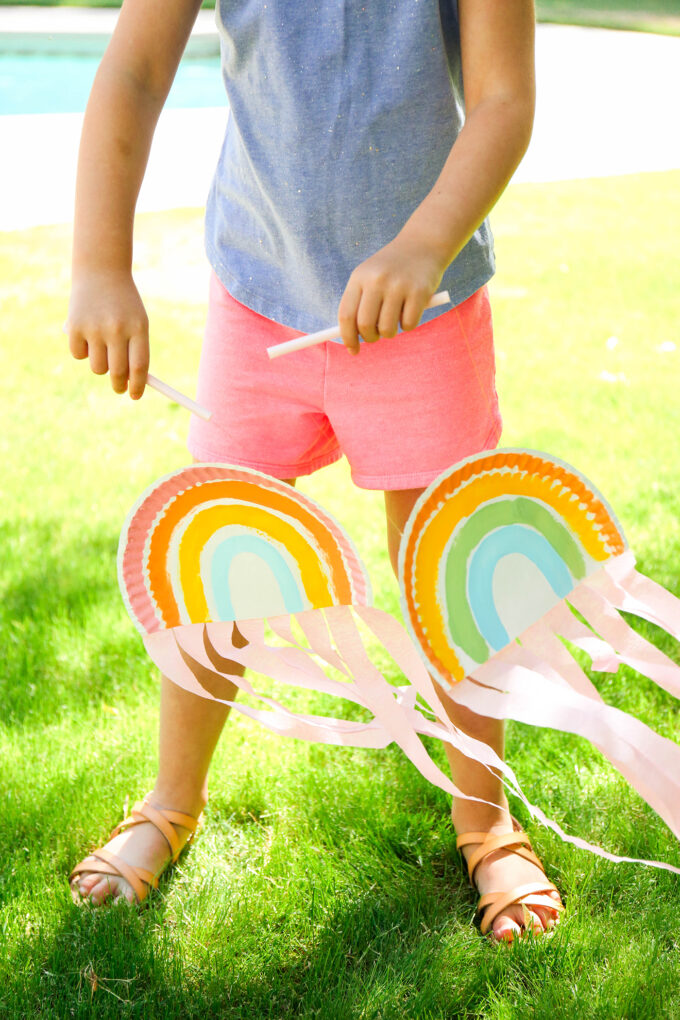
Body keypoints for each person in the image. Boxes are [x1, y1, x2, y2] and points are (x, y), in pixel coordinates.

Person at [67, 0, 562, 942]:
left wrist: (423, 245)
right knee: (217, 551)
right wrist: (99, 264)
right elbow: (134, 67)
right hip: (259, 296)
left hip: (426, 304)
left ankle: (485, 818)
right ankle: (172, 803)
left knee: (448, 567)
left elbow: (503, 99)